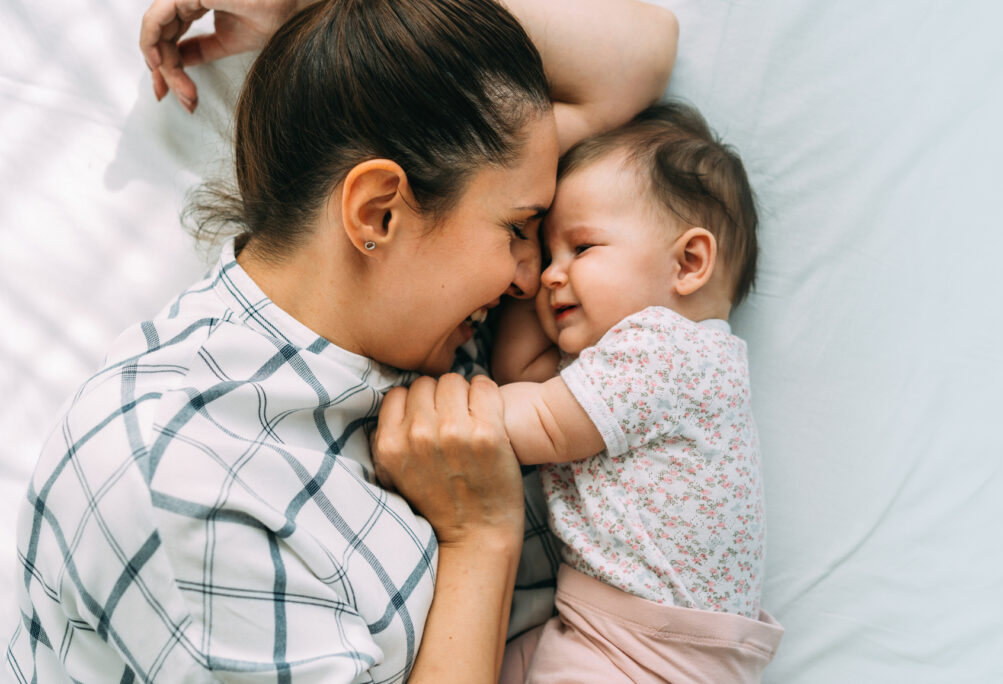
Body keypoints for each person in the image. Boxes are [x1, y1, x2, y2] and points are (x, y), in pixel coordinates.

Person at [7, 0, 676, 681]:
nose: (530, 277)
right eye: (516, 228)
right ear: (378, 213)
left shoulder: (415, 323)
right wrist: (481, 538)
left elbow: (641, 56)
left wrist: (340, 15)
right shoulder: (187, 479)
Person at [487, 103, 782, 682]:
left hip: (647, 651)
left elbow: (537, 421)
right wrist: (551, 275)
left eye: (582, 247)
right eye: (549, 254)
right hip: (621, 635)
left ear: (689, 262)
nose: (549, 273)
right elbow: (520, 374)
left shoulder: (665, 350)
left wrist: (439, 410)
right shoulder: (635, 362)